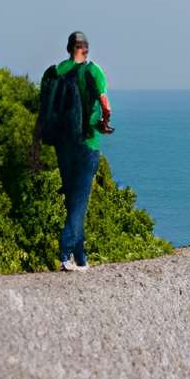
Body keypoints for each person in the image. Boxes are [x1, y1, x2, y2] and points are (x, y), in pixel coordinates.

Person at [37, 31, 112, 270]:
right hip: (86, 143)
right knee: (80, 202)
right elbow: (104, 104)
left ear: (69, 48)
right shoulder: (92, 71)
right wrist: (104, 122)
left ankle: (81, 258)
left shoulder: (56, 72)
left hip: (63, 144)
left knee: (73, 200)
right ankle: (66, 252)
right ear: (86, 48)